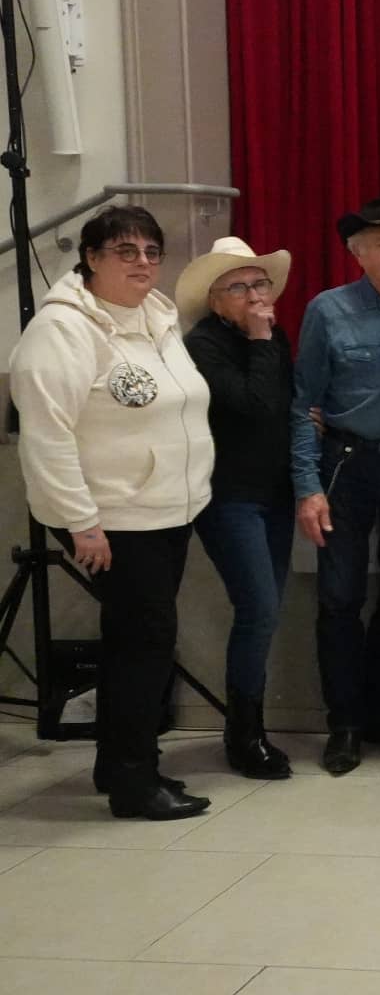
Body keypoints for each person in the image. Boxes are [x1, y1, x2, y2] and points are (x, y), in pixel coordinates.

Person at [10, 205, 215, 819]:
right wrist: (81, 523)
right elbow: (46, 436)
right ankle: (135, 783)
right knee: (144, 647)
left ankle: (116, 764)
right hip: (113, 519)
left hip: (166, 512)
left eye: (152, 251)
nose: (143, 263)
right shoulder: (62, 331)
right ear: (91, 258)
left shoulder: (157, 317)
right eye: (126, 252)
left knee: (137, 642)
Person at [292, 196, 380, 774]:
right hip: (347, 465)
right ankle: (344, 725)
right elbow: (304, 404)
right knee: (340, 598)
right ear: (357, 253)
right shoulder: (328, 310)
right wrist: (307, 485)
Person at [178, 236, 296, 779]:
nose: (254, 294)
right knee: (259, 610)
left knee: (264, 613)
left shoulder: (272, 338)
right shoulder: (203, 345)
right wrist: (260, 336)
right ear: (215, 299)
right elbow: (255, 403)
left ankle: (249, 727)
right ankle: (244, 736)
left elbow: (284, 406)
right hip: (230, 499)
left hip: (275, 495)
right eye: (239, 286)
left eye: (259, 283)